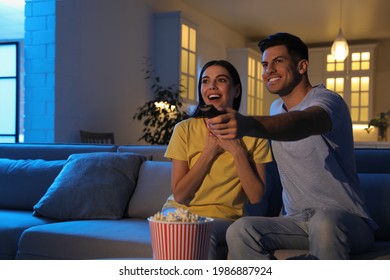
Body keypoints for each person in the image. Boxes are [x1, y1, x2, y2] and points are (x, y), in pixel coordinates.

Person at [207, 33, 378, 260]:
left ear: (302, 66)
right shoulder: (275, 108)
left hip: (346, 219)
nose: (269, 71)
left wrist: (249, 124)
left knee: (324, 222)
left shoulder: (328, 101)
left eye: (278, 61)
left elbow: (305, 122)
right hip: (294, 221)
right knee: (240, 229)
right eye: (265, 64)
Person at [161, 60, 273, 259]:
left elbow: (256, 196)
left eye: (221, 80)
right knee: (188, 230)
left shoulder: (254, 133)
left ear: (236, 90)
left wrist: (238, 151)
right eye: (205, 81)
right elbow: (179, 195)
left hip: (224, 218)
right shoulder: (184, 129)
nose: (211, 86)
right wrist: (209, 152)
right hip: (179, 213)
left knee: (202, 232)